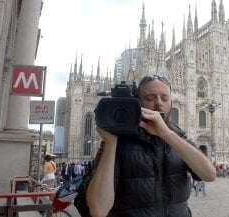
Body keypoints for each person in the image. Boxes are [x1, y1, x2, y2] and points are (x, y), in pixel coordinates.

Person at [75, 75, 216, 217]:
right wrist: (110, 144)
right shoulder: (118, 139)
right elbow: (98, 210)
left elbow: (209, 174)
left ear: (171, 103)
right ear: (137, 102)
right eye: (150, 98)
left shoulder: (177, 136)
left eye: (165, 98)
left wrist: (167, 134)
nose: (159, 103)